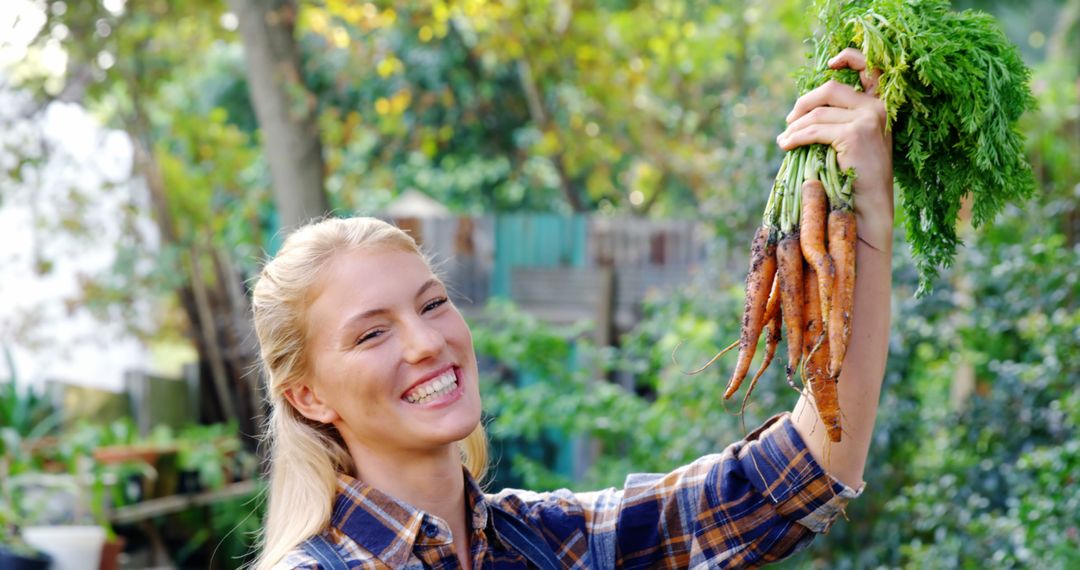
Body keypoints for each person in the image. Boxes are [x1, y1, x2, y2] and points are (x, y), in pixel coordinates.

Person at [251, 48, 893, 569]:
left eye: (433, 303)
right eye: (370, 335)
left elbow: (802, 476)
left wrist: (869, 219)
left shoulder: (549, 541)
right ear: (308, 396)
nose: (425, 343)